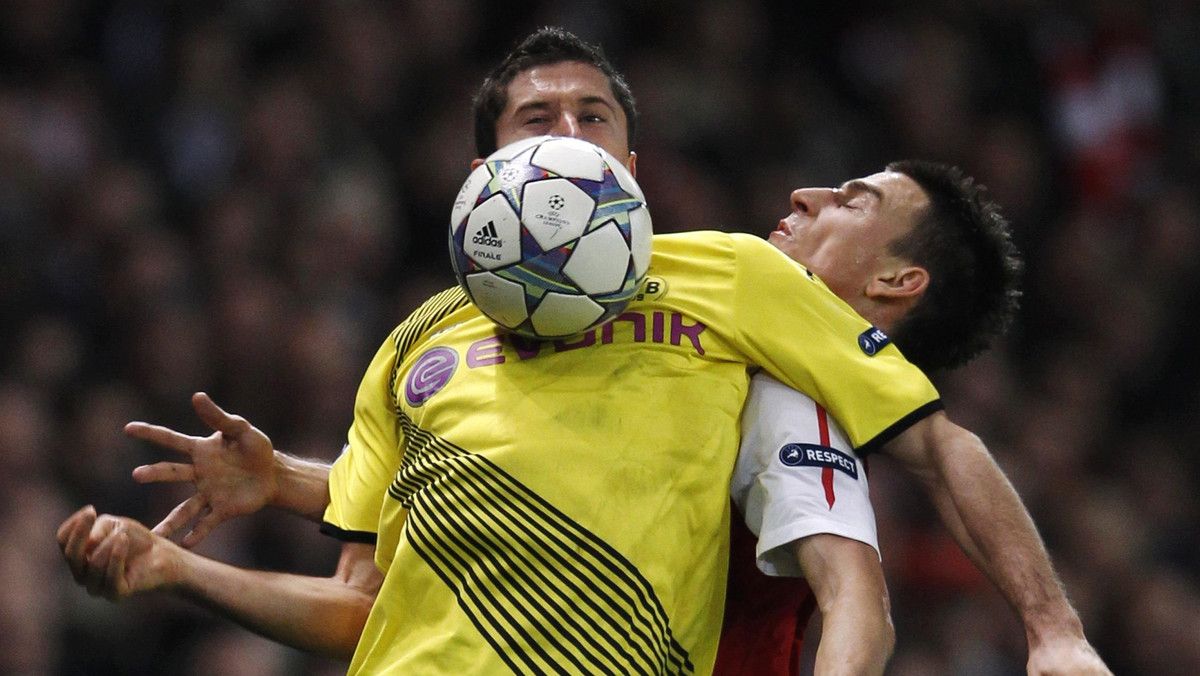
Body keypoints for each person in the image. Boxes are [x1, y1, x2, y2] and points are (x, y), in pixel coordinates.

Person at [57, 27, 1110, 676]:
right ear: (485, 177)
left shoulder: (742, 293)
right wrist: (177, 566)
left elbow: (916, 481)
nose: (565, 135)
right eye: (536, 119)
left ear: (630, 167)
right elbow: (363, 611)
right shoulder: (413, 343)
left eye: (592, 118)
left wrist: (1051, 629)